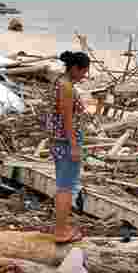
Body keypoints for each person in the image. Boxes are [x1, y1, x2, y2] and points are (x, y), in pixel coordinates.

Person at [49, 50, 91, 244]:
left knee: (64, 185)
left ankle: (62, 227)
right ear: (75, 68)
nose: (84, 76)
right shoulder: (66, 87)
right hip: (66, 142)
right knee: (66, 187)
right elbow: (66, 118)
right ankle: (60, 231)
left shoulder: (60, 82)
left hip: (60, 140)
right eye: (83, 71)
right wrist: (74, 145)